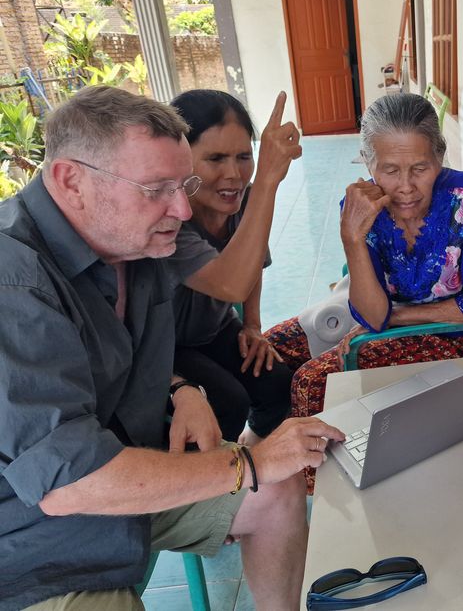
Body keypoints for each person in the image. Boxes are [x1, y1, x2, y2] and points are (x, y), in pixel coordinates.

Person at [0, 86, 344, 611]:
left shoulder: (132, 242)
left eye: (182, 184)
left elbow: (114, 354)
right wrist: (247, 465)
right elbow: (66, 480)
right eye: (158, 188)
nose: (183, 208)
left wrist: (180, 388)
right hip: (30, 536)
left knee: (277, 487)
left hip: (118, 466)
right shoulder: (14, 283)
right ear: (72, 182)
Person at [266, 92, 463, 421]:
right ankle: (268, 434)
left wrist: (395, 316)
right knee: (269, 349)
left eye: (420, 167)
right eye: (389, 170)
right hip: (376, 318)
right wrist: (352, 237)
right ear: (367, 161)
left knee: (311, 382)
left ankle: (324, 469)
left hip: (447, 332)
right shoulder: (362, 209)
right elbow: (371, 315)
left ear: (439, 156)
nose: (406, 186)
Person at [168, 89, 294, 447]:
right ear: (180, 160)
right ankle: (209, 482)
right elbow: (231, 284)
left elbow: (252, 266)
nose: (234, 174)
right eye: (215, 159)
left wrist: (252, 325)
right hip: (168, 349)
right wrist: (269, 179)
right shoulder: (171, 220)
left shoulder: (246, 201)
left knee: (276, 385)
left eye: (244, 156)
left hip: (216, 327)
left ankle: (248, 456)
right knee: (227, 402)